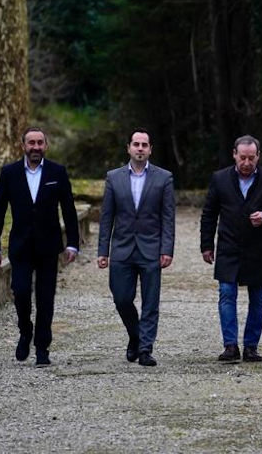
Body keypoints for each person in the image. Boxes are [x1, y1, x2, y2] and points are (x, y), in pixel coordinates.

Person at [0, 127, 79, 367]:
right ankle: (25, 331)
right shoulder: (9, 173)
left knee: (46, 298)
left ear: (46, 146)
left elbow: (68, 210)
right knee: (20, 292)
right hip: (21, 246)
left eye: (40, 143)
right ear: (23, 146)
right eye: (31, 143)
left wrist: (72, 243)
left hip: (49, 246)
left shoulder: (57, 172)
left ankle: (42, 347)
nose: (36, 147)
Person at [200, 135, 262, 363]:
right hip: (228, 247)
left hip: (259, 249)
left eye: (251, 158)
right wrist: (206, 245)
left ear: (258, 156)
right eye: (243, 158)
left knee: (258, 299)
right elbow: (209, 213)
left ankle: (251, 346)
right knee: (226, 295)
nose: (247, 163)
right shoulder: (219, 179)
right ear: (234, 155)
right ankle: (230, 346)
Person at [97, 129, 176, 367]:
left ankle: (145, 349)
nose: (140, 148)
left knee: (151, 301)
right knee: (121, 298)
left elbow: (168, 217)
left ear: (150, 149)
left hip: (151, 248)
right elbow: (106, 216)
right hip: (122, 248)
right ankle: (135, 335)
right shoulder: (114, 177)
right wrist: (103, 251)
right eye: (136, 144)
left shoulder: (164, 178)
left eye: (144, 145)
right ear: (128, 148)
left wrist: (167, 249)